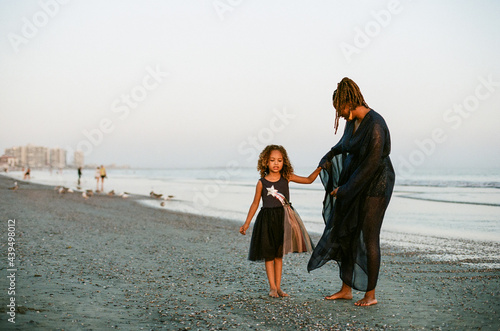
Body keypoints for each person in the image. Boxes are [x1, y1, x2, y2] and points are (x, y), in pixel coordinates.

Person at [307, 77, 395, 306]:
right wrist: (328, 156)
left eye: (340, 109)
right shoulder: (352, 121)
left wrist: (345, 190)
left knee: (368, 236)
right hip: (357, 178)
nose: (340, 114)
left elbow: (371, 166)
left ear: (349, 101)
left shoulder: (375, 124)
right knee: (348, 231)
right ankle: (346, 289)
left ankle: (370, 295)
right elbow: (344, 145)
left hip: (376, 182)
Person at [240, 145, 321, 298]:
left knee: (278, 255)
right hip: (266, 221)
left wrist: (319, 168)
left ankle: (278, 288)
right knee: (269, 255)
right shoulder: (261, 182)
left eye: (279, 160)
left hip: (284, 219)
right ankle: (272, 287)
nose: (276, 163)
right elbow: (255, 203)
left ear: (284, 162)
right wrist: (246, 223)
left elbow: (309, 180)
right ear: (266, 162)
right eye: (272, 160)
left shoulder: (287, 177)